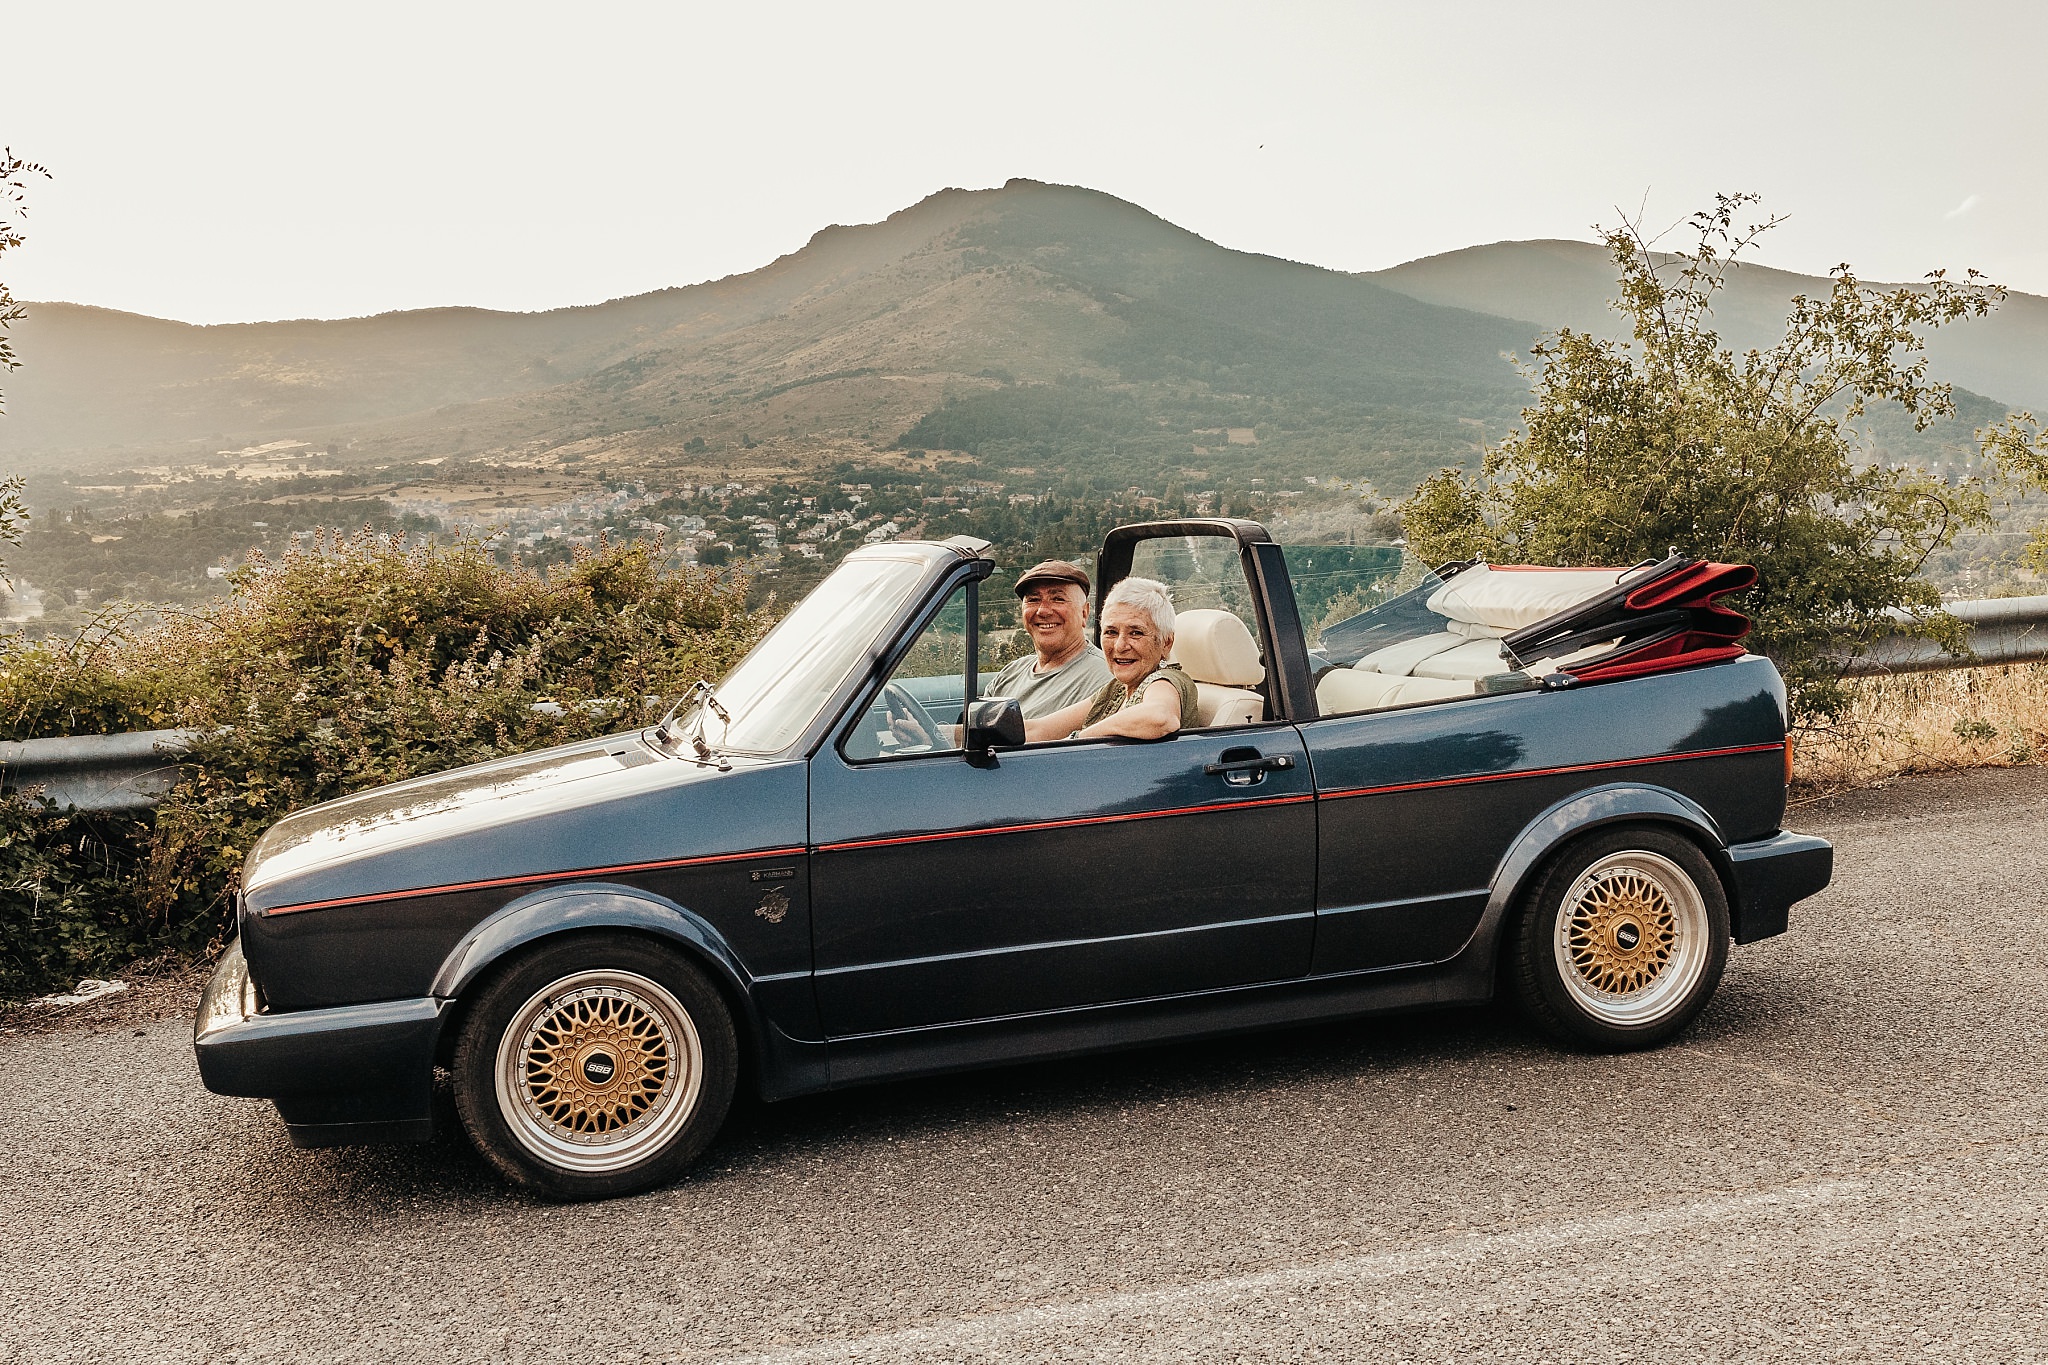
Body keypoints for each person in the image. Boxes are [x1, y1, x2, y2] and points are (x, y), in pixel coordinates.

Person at [1024, 576, 1200, 743]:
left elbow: (1160, 717)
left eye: (1136, 633)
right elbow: (1040, 729)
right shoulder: (1116, 689)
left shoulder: (1165, 681)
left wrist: (1080, 740)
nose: (1119, 646)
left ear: (1166, 643)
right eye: (1111, 632)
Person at [982, 559, 1113, 718]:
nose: (1043, 611)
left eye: (1058, 599)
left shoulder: (1105, 680)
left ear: (1084, 613)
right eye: (1033, 600)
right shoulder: (1009, 675)